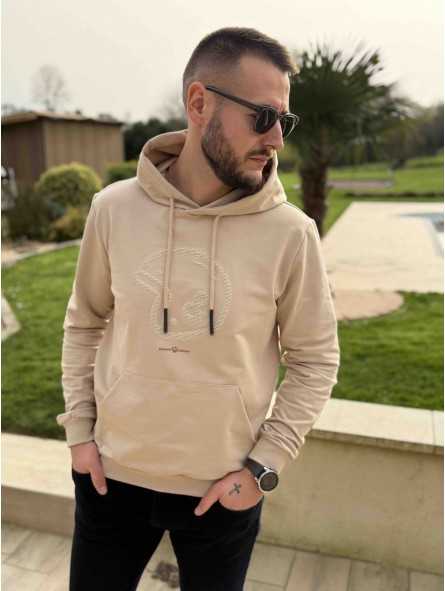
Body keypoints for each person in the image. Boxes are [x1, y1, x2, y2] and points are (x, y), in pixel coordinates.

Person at [56, 26, 340, 591]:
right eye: (263, 117)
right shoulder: (113, 209)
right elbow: (84, 321)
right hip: (111, 476)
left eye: (284, 121)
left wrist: (263, 468)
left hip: (224, 489)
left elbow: (315, 359)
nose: (276, 138)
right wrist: (80, 435)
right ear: (198, 102)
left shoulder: (291, 233)